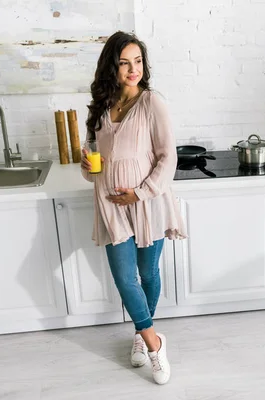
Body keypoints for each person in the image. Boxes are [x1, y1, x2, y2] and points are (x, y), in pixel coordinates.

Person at [80, 31, 186, 385]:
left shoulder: (152, 102)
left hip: (147, 203)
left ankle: (140, 334)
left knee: (148, 274)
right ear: (112, 66)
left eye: (138, 61)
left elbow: (167, 157)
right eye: (124, 62)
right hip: (110, 205)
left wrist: (140, 193)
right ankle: (154, 342)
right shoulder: (101, 106)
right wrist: (87, 165)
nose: (133, 69)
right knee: (125, 278)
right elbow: (92, 164)